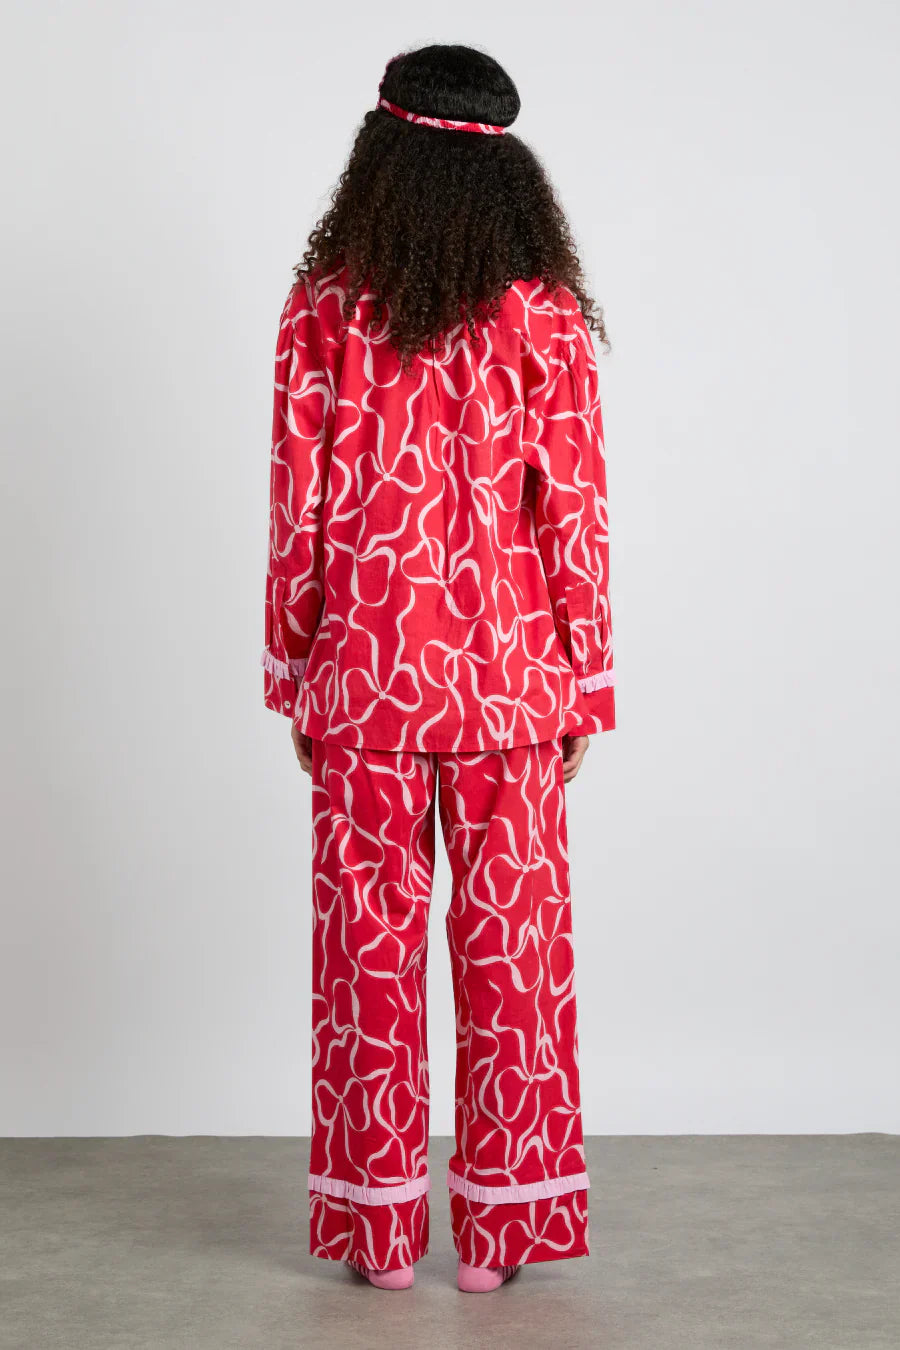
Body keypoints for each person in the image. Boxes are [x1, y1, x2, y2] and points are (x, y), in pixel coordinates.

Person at [260, 43, 616, 1294]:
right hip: (511, 681)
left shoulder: (325, 310)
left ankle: (379, 1234)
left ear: (381, 156)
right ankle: (499, 1239)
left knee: (365, 952)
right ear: (509, 174)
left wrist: (295, 668)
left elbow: (298, 505)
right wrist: (585, 680)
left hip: (365, 674)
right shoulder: (545, 315)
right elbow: (574, 512)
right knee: (514, 955)